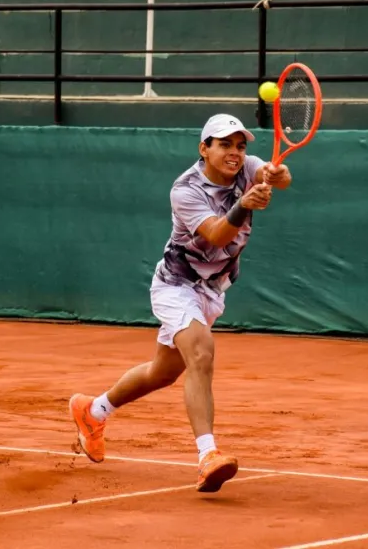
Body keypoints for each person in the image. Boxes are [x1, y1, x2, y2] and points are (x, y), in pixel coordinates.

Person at [69, 113, 292, 493]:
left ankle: (93, 412)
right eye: (224, 144)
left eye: (240, 146)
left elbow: (280, 176)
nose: (235, 153)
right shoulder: (185, 189)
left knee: (163, 372)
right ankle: (208, 455)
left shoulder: (246, 167)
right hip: (175, 284)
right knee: (201, 352)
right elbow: (219, 235)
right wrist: (243, 204)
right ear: (203, 148)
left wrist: (275, 175)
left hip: (212, 290)